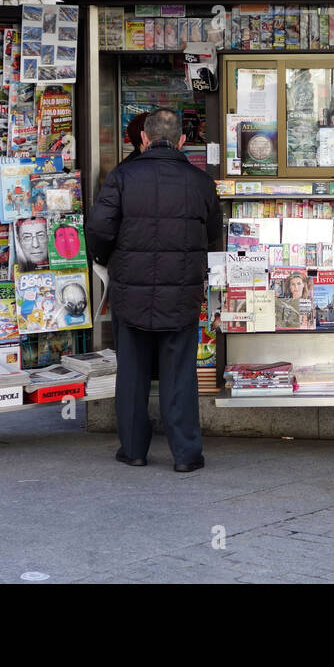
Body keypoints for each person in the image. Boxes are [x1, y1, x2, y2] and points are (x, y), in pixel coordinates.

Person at [87, 107, 222, 472]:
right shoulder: (201, 183)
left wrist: (107, 258)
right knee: (179, 374)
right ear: (182, 141)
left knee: (132, 372)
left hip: (130, 292)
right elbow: (213, 237)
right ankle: (186, 454)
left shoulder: (122, 177)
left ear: (144, 139)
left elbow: (98, 230)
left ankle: (133, 449)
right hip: (181, 294)